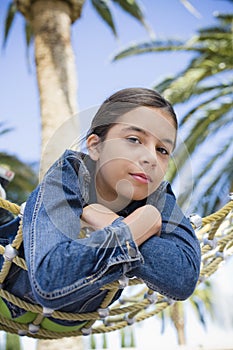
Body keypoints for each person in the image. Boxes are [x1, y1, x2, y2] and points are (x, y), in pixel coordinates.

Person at [0, 87, 201, 332]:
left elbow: (183, 277)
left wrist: (113, 223)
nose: (150, 158)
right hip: (9, 286)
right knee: (9, 233)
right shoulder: (66, 176)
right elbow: (51, 281)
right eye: (134, 139)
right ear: (95, 146)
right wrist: (138, 227)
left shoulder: (158, 198)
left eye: (162, 150)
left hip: (70, 318)